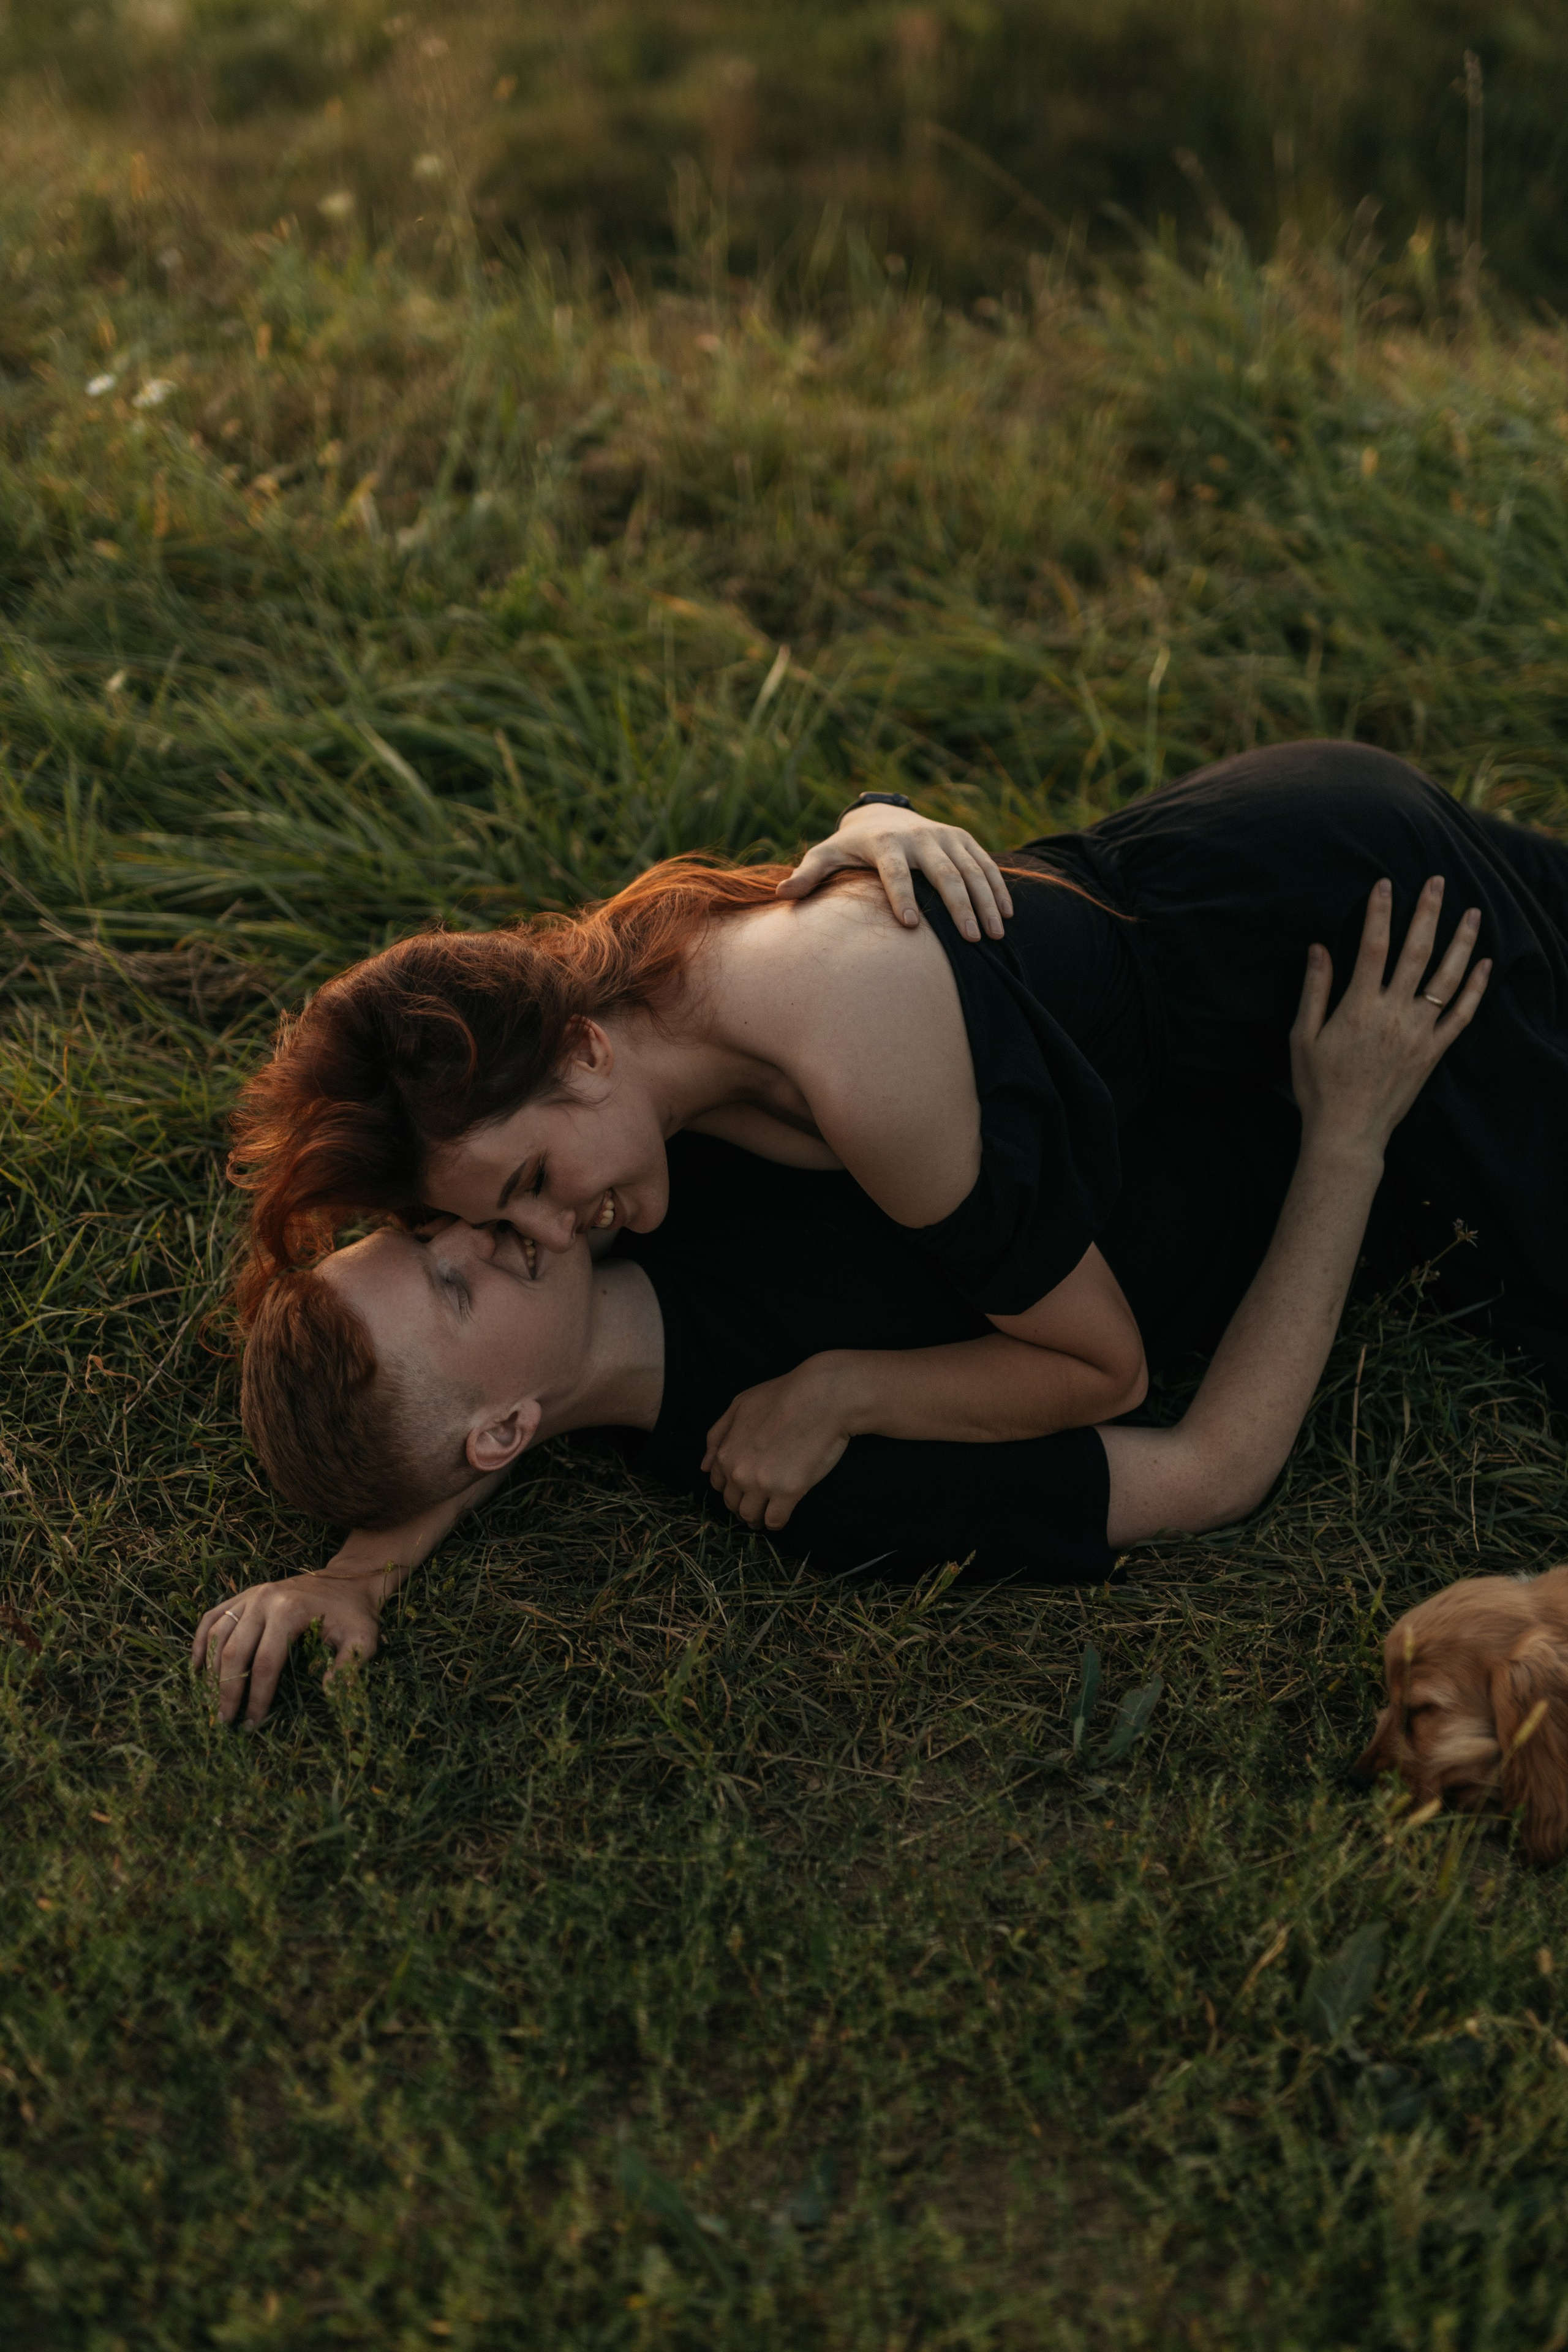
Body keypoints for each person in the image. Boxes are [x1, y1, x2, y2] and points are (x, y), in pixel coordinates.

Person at [196, 881, 1486, 1725]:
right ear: (504, 1433)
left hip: (1242, 935)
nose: (490, 1234)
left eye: (427, 1230)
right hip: (1388, 1085)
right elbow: (1212, 1469)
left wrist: (358, 1571)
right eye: (451, 1279)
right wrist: (1347, 1140)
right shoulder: (809, 1482)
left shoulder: (647, 1169)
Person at [226, 744, 1567, 1517]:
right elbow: (484, 1387)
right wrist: (372, 1547)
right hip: (1239, 897)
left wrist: (843, 1390)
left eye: (528, 1183)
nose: (544, 1233)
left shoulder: (861, 1078)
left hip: (1319, 929)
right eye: (487, 1223)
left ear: (580, 1055)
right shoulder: (639, 1019)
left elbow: (1100, 1370)